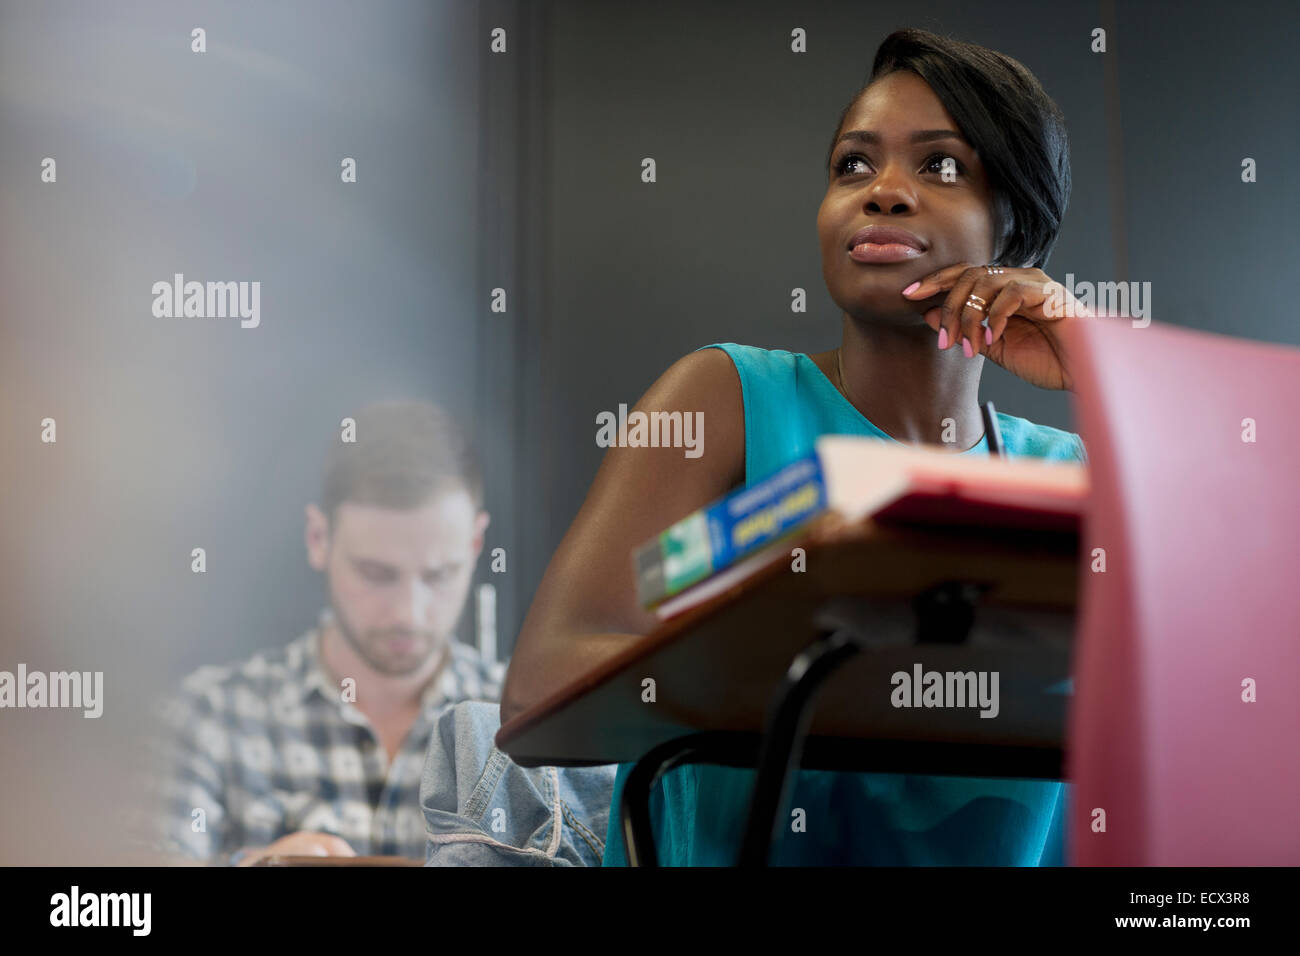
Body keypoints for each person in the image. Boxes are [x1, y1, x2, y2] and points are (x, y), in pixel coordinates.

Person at [501, 28, 1091, 866]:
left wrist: (1097, 370)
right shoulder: (725, 398)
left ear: (1018, 229)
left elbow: (1220, 685)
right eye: (854, 164)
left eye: (940, 166)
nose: (883, 192)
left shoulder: (1069, 474)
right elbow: (544, 683)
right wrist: (859, 681)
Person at [156, 400, 503, 864]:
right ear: (318, 538)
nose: (408, 611)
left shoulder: (528, 723)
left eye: (440, 574)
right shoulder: (209, 716)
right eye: (376, 574)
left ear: (475, 544)